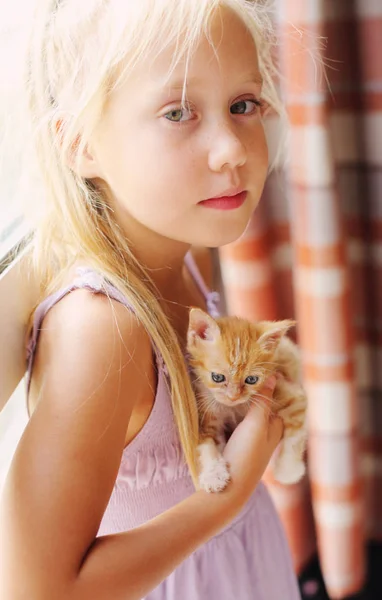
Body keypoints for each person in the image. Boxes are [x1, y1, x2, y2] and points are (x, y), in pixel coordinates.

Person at [0, 1, 301, 598]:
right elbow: (38, 587)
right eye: (178, 112)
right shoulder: (102, 329)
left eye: (244, 105)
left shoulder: (180, 251)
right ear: (80, 143)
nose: (232, 150)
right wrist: (230, 496)